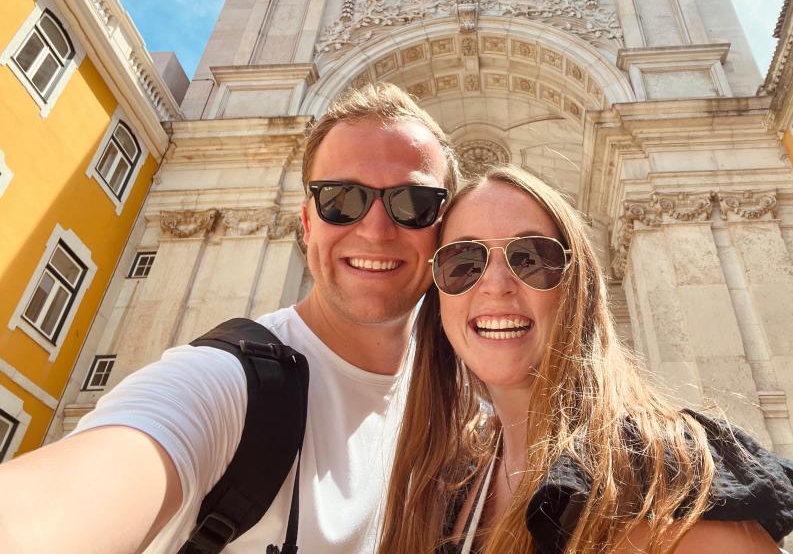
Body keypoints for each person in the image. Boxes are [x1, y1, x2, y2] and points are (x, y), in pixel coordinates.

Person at [0, 83, 460, 554]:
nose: (376, 229)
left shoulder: (458, 413)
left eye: (413, 204)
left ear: (444, 234)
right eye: (342, 199)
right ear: (306, 224)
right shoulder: (220, 384)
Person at [379, 166, 793, 554]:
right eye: (463, 262)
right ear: (438, 297)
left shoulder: (664, 469)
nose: (495, 284)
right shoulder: (452, 487)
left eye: (531, 258)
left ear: (576, 287)